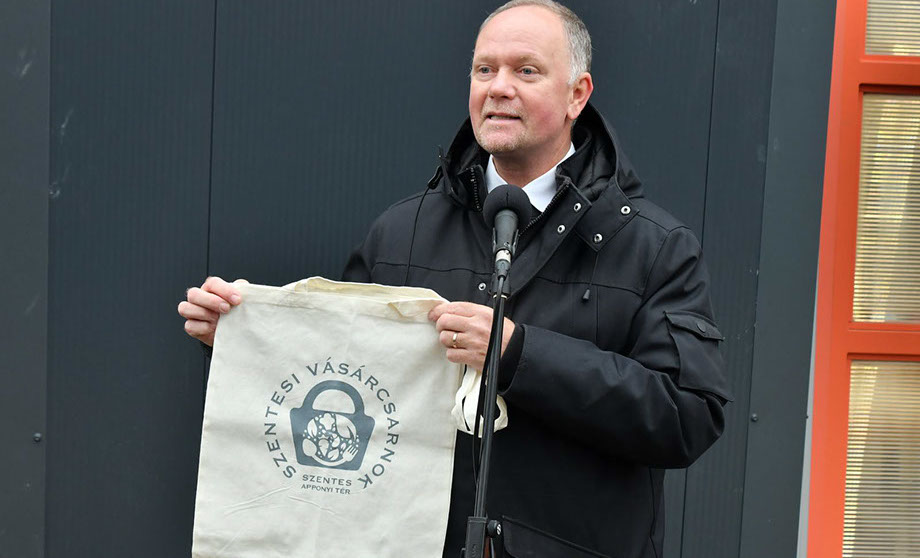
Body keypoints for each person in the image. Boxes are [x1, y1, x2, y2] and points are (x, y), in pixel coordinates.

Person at [178, 1, 732, 556]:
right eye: (484, 69)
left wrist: (519, 355)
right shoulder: (402, 232)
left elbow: (687, 418)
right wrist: (245, 336)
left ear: (577, 95)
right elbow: (341, 374)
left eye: (526, 70)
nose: (499, 87)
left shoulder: (654, 247)